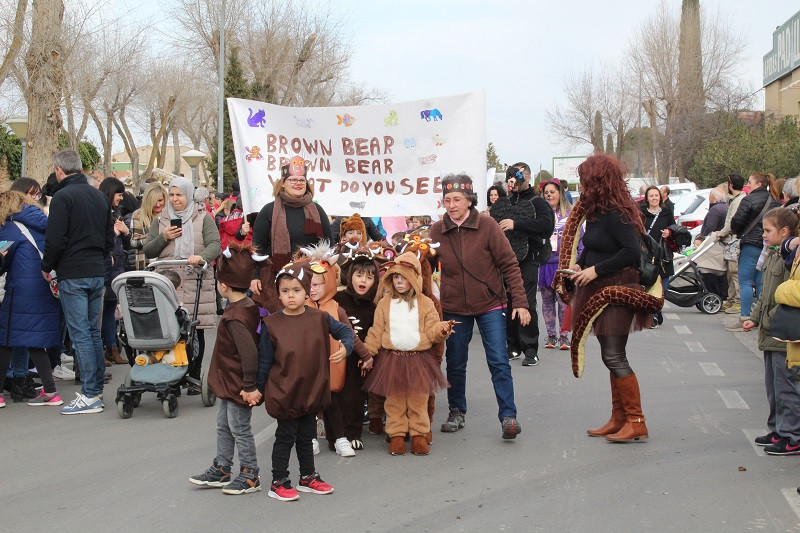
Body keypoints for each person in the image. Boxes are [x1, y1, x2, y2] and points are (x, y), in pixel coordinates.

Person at [430, 173, 530, 439]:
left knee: (498, 360)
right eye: (447, 199)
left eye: (457, 199)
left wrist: (520, 301)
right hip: (452, 307)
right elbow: (422, 266)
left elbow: (509, 264)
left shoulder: (488, 225)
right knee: (456, 362)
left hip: (490, 304)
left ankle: (508, 416)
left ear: (470, 200)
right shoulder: (436, 230)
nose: (451, 205)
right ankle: (456, 411)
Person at [566, 153, 654, 442]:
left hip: (618, 289)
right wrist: (581, 264)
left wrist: (595, 270)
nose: (581, 184)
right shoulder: (598, 211)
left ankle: (636, 420)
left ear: (597, 180)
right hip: (599, 287)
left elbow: (630, 251)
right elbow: (593, 247)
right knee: (610, 354)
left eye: (585, 179)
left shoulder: (618, 212)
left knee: (615, 355)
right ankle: (620, 418)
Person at [255, 261, 354, 502]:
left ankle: (308, 477)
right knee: (285, 437)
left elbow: (345, 332)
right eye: (285, 291)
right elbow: (265, 362)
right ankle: (279, 481)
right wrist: (257, 389)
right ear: (278, 293)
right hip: (285, 393)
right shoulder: (272, 324)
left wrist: (345, 348)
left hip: (311, 391)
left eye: (296, 290)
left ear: (307, 291)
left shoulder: (320, 318)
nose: (291, 296)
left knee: (305, 436)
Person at [42, 149, 115, 415]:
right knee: (91, 332)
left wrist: (46, 266)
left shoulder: (63, 196)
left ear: (59, 170)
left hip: (74, 272)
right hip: (96, 270)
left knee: (80, 333)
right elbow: (110, 238)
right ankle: (94, 391)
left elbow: (55, 239)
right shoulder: (98, 196)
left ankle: (90, 394)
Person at [190, 244, 263, 494]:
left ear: (223, 285)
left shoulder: (235, 317)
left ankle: (250, 473)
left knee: (239, 428)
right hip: (230, 382)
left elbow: (249, 354)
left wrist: (250, 386)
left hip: (239, 384)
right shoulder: (246, 307)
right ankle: (222, 467)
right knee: (224, 424)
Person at [363, 252, 451, 456]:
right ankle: (396, 435)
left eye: (403, 278)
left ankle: (419, 435)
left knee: (418, 400)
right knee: (394, 401)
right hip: (391, 359)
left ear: (413, 279)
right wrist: (367, 352)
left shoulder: (425, 303)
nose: (399, 282)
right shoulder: (385, 303)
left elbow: (432, 330)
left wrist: (442, 330)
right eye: (396, 277)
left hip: (418, 360)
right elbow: (376, 331)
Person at [143, 176, 221, 381]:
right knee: (171, 328)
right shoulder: (161, 220)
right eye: (172, 195)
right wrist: (164, 237)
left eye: (179, 195)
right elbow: (148, 248)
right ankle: (172, 372)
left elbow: (215, 244)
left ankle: (194, 372)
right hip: (170, 280)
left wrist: (201, 257)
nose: (175, 199)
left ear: (188, 195)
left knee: (196, 327)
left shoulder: (204, 218)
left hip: (195, 279)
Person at [742, 208, 799, 455]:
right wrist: (754, 318)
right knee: (773, 387)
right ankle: (778, 429)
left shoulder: (790, 260)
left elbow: (786, 298)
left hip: (781, 334)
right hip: (768, 332)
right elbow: (765, 296)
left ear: (784, 232)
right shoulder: (774, 255)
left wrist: (771, 320)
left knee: (786, 387)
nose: (763, 235)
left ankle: (792, 435)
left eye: (767, 230)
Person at [0, 191, 63, 406]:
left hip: (20, 290)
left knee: (5, 340)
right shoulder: (42, 225)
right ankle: (51, 392)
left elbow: (3, 262)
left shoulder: (9, 227)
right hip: (43, 287)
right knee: (35, 341)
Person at [496, 163, 555, 366]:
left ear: (527, 177)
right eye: (510, 177)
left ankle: (530, 349)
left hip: (529, 256)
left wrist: (517, 225)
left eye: (517, 176)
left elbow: (547, 226)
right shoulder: (507, 202)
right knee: (509, 301)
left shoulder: (537, 202)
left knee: (527, 302)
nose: (513, 181)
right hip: (508, 258)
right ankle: (512, 346)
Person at [250, 156, 332, 301]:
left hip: (311, 280)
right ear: (282, 183)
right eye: (293, 180)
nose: (298, 183)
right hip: (277, 281)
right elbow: (258, 247)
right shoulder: (268, 211)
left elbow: (329, 244)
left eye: (301, 180)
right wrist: (255, 276)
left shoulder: (317, 210)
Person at [333, 246, 380, 449]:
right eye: (359, 275)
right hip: (335, 354)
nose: (363, 281)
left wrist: (367, 354)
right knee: (333, 395)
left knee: (355, 395)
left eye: (369, 277)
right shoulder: (338, 299)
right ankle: (335, 433)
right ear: (350, 275)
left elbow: (374, 333)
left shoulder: (373, 308)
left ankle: (352, 432)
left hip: (359, 358)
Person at [730, 173, 782, 327]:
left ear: (759, 184)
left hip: (751, 244)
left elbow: (737, 221)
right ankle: (761, 318)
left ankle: (745, 318)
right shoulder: (774, 201)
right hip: (768, 245)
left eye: (750, 181)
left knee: (745, 281)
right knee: (761, 282)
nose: (748, 184)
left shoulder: (749, 199)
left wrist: (737, 230)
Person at [538, 179, 577, 350]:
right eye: (546, 193)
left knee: (563, 301)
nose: (549, 195)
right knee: (547, 301)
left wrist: (577, 261)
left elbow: (579, 239)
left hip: (563, 265)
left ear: (559, 194)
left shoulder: (570, 214)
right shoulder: (540, 215)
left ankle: (564, 336)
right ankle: (551, 336)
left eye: (552, 192)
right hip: (545, 263)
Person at [98, 177, 131, 366]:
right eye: (119, 194)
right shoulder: (102, 212)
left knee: (110, 309)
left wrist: (125, 232)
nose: (121, 199)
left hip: (116, 268)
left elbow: (126, 244)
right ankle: (104, 349)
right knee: (101, 313)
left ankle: (113, 348)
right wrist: (114, 233)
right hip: (106, 267)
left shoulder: (116, 213)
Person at [640, 185, 675, 325]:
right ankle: (652, 315)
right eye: (651, 196)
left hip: (662, 255)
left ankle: (656, 311)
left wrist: (669, 233)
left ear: (660, 197)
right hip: (646, 254)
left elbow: (674, 228)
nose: (654, 198)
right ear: (647, 198)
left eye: (656, 195)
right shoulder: (641, 212)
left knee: (664, 288)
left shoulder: (666, 212)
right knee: (648, 284)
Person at [717, 174, 747, 314]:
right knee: (730, 272)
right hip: (731, 240)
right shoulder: (735, 199)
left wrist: (722, 232)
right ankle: (731, 299)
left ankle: (737, 302)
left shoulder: (739, 200)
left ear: (731, 185)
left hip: (734, 240)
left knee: (734, 272)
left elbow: (732, 221)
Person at [692, 189, 729, 299]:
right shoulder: (726, 207)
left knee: (709, 270)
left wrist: (701, 238)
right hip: (721, 245)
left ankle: (714, 294)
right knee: (721, 272)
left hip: (712, 246)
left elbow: (709, 228)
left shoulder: (715, 210)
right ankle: (723, 294)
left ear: (713, 197)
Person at [130, 182, 166, 270]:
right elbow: (134, 242)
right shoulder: (138, 215)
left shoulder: (169, 214)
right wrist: (157, 237)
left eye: (160, 200)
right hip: (145, 266)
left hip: (165, 264)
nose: (158, 204)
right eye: (154, 202)